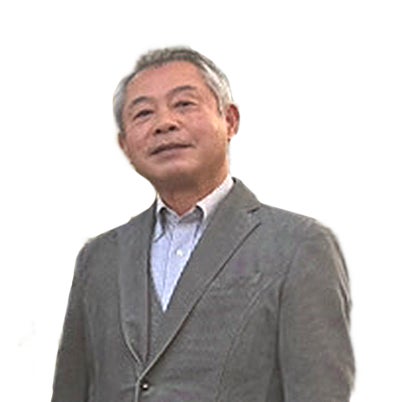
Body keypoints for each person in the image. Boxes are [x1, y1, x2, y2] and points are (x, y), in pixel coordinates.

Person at [51, 47, 355, 402]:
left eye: (184, 104)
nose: (165, 123)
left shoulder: (299, 245)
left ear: (230, 121)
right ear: (125, 145)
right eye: (144, 113)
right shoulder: (99, 257)